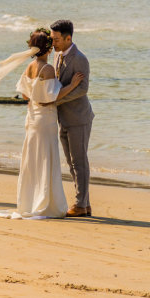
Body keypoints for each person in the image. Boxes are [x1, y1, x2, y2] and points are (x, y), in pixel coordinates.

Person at [0, 29, 83, 220]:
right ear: (47, 48)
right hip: (45, 120)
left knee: (33, 160)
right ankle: (45, 204)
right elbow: (52, 98)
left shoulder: (30, 66)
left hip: (32, 117)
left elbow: (25, 95)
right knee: (45, 159)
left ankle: (30, 201)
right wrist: (72, 85)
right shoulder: (46, 69)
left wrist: (36, 94)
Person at [50, 19, 94, 217]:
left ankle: (80, 204)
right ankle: (84, 203)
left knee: (79, 162)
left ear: (69, 38)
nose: (54, 43)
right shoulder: (57, 56)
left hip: (79, 117)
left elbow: (83, 89)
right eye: (52, 39)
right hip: (63, 118)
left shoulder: (80, 58)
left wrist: (56, 101)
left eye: (57, 39)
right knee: (71, 162)